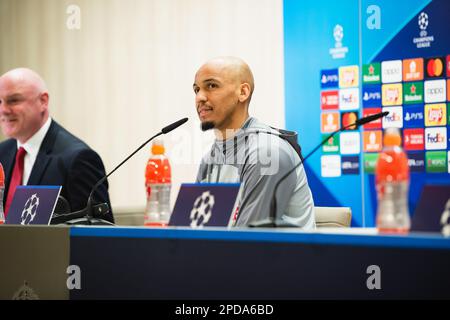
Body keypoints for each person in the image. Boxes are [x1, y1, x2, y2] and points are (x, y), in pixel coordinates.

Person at [193, 57, 315, 229]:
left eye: (211, 86)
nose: (200, 97)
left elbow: (247, 244)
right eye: (196, 89)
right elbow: (198, 232)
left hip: (276, 255)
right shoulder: (209, 159)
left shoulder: (268, 153)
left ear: (243, 92)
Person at [0, 68, 113, 223]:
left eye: (14, 100)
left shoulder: (78, 159)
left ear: (43, 101)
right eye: (0, 102)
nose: (4, 110)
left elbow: (101, 233)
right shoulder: (2, 153)